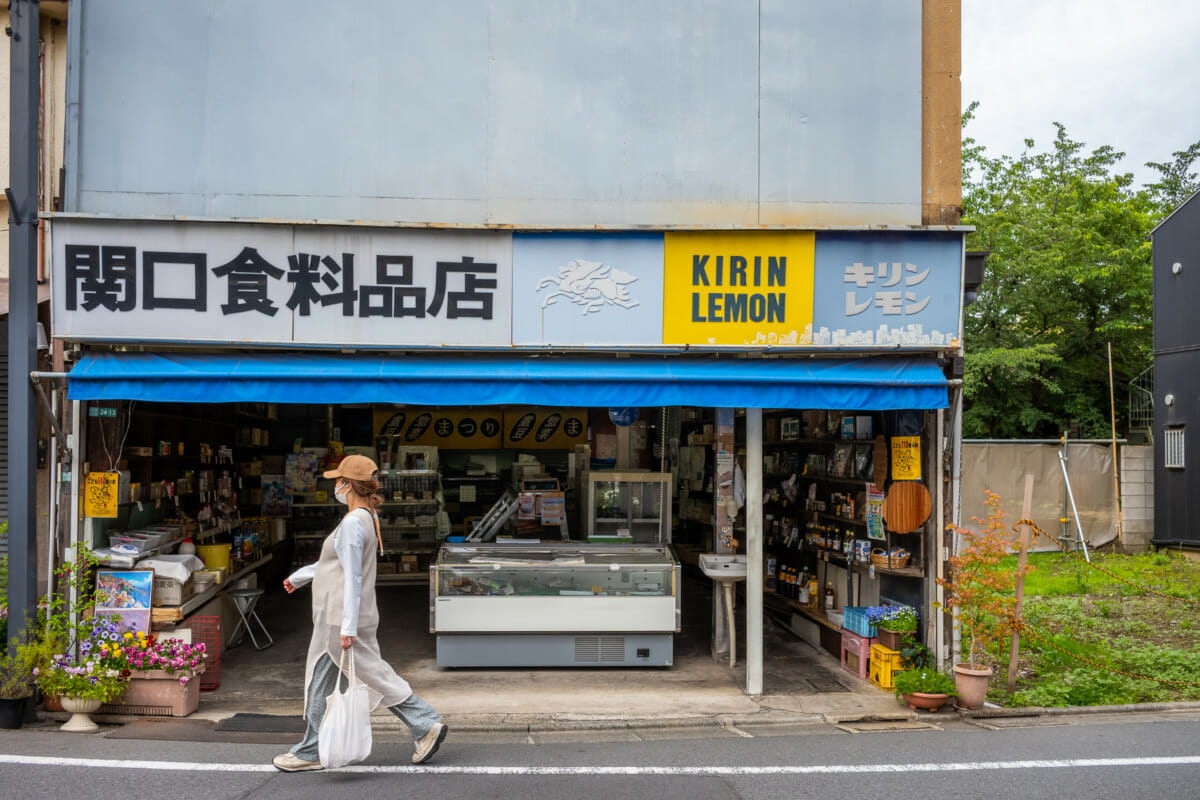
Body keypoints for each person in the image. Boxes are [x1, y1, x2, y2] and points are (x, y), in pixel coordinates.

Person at [272, 454, 447, 772]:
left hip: (339, 617)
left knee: (323, 681)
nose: (334, 485)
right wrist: (298, 578)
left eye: (338, 480)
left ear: (348, 485)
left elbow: (351, 576)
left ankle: (310, 751)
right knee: (373, 675)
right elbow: (335, 564)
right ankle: (425, 724)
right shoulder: (366, 517)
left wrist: (347, 627)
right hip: (351, 615)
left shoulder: (353, 522)